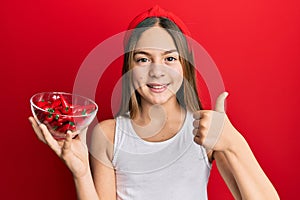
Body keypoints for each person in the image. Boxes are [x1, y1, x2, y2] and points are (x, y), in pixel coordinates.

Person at [28, 5, 279, 200]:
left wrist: (234, 141)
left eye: (170, 59)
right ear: (129, 67)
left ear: (185, 66)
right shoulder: (108, 135)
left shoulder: (205, 130)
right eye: (143, 59)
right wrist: (81, 173)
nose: (157, 71)